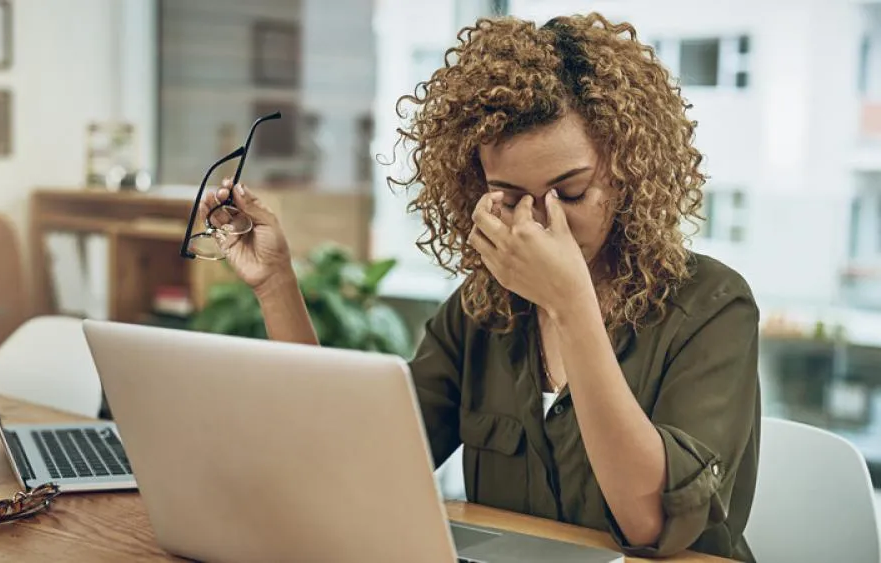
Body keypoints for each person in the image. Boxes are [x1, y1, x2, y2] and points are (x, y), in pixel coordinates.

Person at [198, 13, 760, 562]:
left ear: (626, 169)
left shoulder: (712, 307)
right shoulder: (484, 309)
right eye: (510, 198)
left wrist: (570, 306)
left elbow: (650, 525)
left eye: (570, 193)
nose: (540, 223)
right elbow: (350, 465)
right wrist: (276, 285)